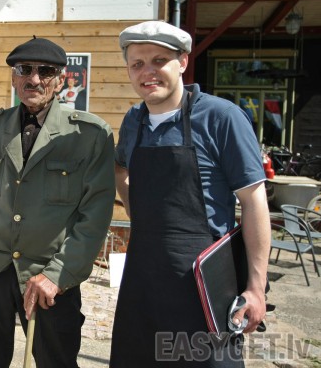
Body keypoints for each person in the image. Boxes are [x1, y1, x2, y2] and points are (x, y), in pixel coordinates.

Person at [109, 21, 271, 367]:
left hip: (204, 283)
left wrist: (256, 287)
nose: (148, 72)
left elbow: (254, 201)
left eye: (159, 61)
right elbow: (120, 169)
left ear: (182, 62)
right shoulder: (134, 120)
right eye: (137, 64)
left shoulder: (222, 117)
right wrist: (140, 214)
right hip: (142, 279)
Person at [0, 37, 116, 367]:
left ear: (61, 80)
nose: (34, 79)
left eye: (46, 71)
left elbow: (95, 215)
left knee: (56, 361)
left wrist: (58, 274)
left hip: (49, 275)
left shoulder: (89, 135)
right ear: (13, 78)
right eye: (24, 70)